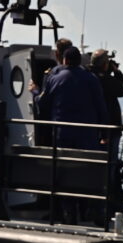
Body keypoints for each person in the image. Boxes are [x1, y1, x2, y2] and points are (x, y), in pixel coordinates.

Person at [36, 46, 110, 223]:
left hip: (63, 133)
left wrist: (34, 92)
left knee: (64, 173)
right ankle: (96, 211)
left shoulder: (55, 78)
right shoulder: (91, 79)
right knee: (90, 171)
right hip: (88, 134)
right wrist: (104, 132)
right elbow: (101, 107)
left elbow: (43, 103)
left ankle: (69, 213)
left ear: (64, 60)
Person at [89, 49, 123, 218]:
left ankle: (94, 206)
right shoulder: (106, 80)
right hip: (109, 130)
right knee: (110, 169)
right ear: (105, 64)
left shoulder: (88, 77)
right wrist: (117, 72)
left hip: (92, 130)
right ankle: (109, 207)